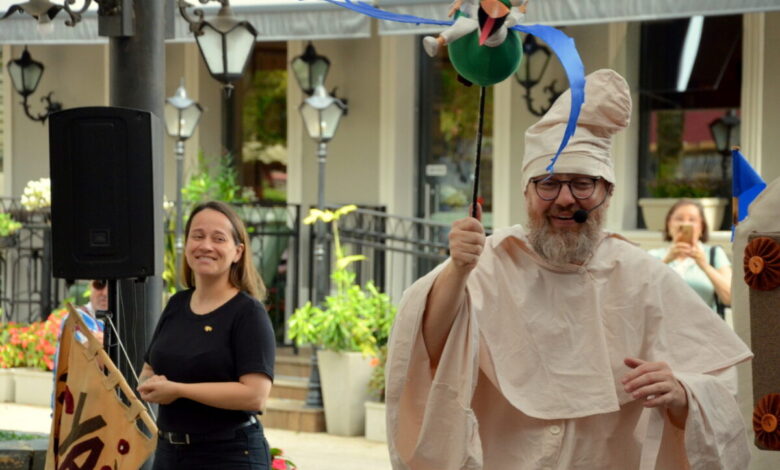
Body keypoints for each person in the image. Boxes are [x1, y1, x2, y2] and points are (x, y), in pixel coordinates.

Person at [385, 69, 752, 469]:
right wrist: (457, 270)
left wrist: (683, 394)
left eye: (582, 183)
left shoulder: (642, 275)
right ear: (527, 193)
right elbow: (427, 345)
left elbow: (722, 388)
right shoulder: (488, 262)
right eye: (548, 183)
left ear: (607, 191)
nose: (564, 199)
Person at [138, 201, 275, 470]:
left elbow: (255, 395)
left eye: (218, 238)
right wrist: (150, 385)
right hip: (169, 454)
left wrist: (178, 390)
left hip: (229, 455)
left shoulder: (248, 313)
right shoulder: (176, 304)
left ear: (237, 252)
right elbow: (148, 370)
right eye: (197, 236)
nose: (206, 246)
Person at [648, 199, 732, 318]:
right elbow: (638, 292)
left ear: (701, 227)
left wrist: (704, 265)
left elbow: (729, 297)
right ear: (669, 224)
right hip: (663, 326)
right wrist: (666, 260)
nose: (685, 224)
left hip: (704, 326)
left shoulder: (714, 254)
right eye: (679, 219)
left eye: (692, 220)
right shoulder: (654, 256)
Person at [422, 0, 528, 57]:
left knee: (465, 24)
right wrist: (459, 2)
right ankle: (438, 42)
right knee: (463, 25)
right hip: (478, 13)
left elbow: (517, 12)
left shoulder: (510, 14)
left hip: (500, 17)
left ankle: (438, 41)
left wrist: (520, 11)